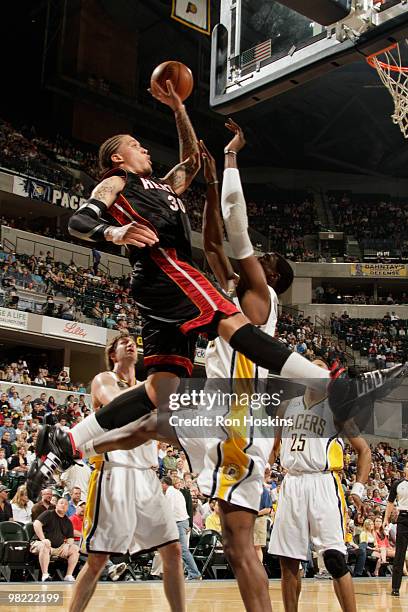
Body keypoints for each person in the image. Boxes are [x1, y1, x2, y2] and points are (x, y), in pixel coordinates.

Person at [28, 82, 403, 499]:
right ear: (118, 157)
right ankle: (337, 385)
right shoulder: (116, 182)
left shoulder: (166, 187)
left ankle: (68, 443)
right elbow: (78, 222)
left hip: (164, 283)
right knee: (231, 319)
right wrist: (114, 231)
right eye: (137, 145)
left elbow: (190, 158)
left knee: (159, 391)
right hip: (166, 268)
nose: (145, 150)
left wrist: (178, 107)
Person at [69, 332, 184, 612]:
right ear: (112, 354)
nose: (131, 343)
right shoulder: (104, 380)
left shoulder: (148, 386)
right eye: (123, 342)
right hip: (114, 473)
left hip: (146, 475)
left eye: (134, 341)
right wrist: (158, 399)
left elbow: (164, 426)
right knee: (98, 560)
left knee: (173, 550)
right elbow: (120, 406)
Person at [268, 358, 372, 612]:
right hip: (291, 483)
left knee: (335, 560)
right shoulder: (285, 407)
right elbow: (274, 448)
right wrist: (264, 471)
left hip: (323, 483)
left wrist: (358, 489)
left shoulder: (336, 410)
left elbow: (364, 451)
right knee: (288, 561)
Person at [161, 476, 201, 581]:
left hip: (178, 523)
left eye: (161, 484)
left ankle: (194, 573)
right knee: (176, 550)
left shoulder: (170, 493)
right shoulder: (177, 492)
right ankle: (180, 573)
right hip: (181, 522)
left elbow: (169, 511)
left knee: (182, 550)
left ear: (165, 484)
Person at [32, 497, 79, 582]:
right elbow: (36, 524)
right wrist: (43, 539)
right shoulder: (48, 514)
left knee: (75, 549)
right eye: (61, 503)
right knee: (44, 545)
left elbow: (70, 538)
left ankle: (68, 575)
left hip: (58, 548)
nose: (63, 505)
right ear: (56, 505)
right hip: (39, 543)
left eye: (65, 504)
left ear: (68, 508)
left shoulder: (67, 521)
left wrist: (67, 545)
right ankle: (45, 575)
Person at [383, 460, 408, 596]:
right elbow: (390, 502)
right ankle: (395, 588)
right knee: (400, 554)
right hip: (403, 519)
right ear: (405, 469)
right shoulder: (397, 484)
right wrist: (386, 519)